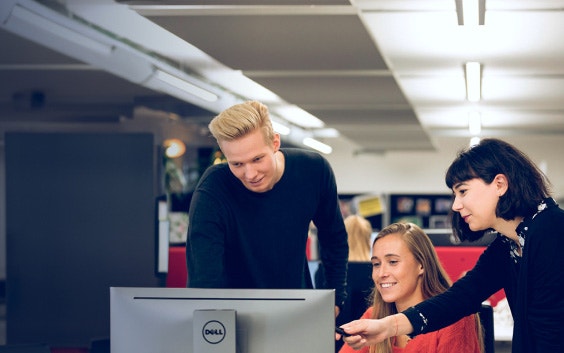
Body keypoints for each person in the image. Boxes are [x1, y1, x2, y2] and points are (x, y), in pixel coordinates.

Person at [339, 138, 564, 353]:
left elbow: (551, 334)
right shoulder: (509, 245)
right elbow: (460, 297)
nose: (456, 205)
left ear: (500, 184)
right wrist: (388, 326)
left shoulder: (552, 231)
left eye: (463, 191)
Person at [185, 100, 349, 314]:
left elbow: (334, 237)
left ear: (275, 142)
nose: (250, 174)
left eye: (257, 159)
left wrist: (335, 297)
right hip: (234, 314)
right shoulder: (213, 188)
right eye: (237, 164)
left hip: (296, 308)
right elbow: (204, 274)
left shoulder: (314, 171)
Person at [338, 222, 483, 353]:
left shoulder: (453, 318)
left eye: (393, 262)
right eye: (376, 264)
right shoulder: (374, 316)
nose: (381, 273)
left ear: (421, 265)